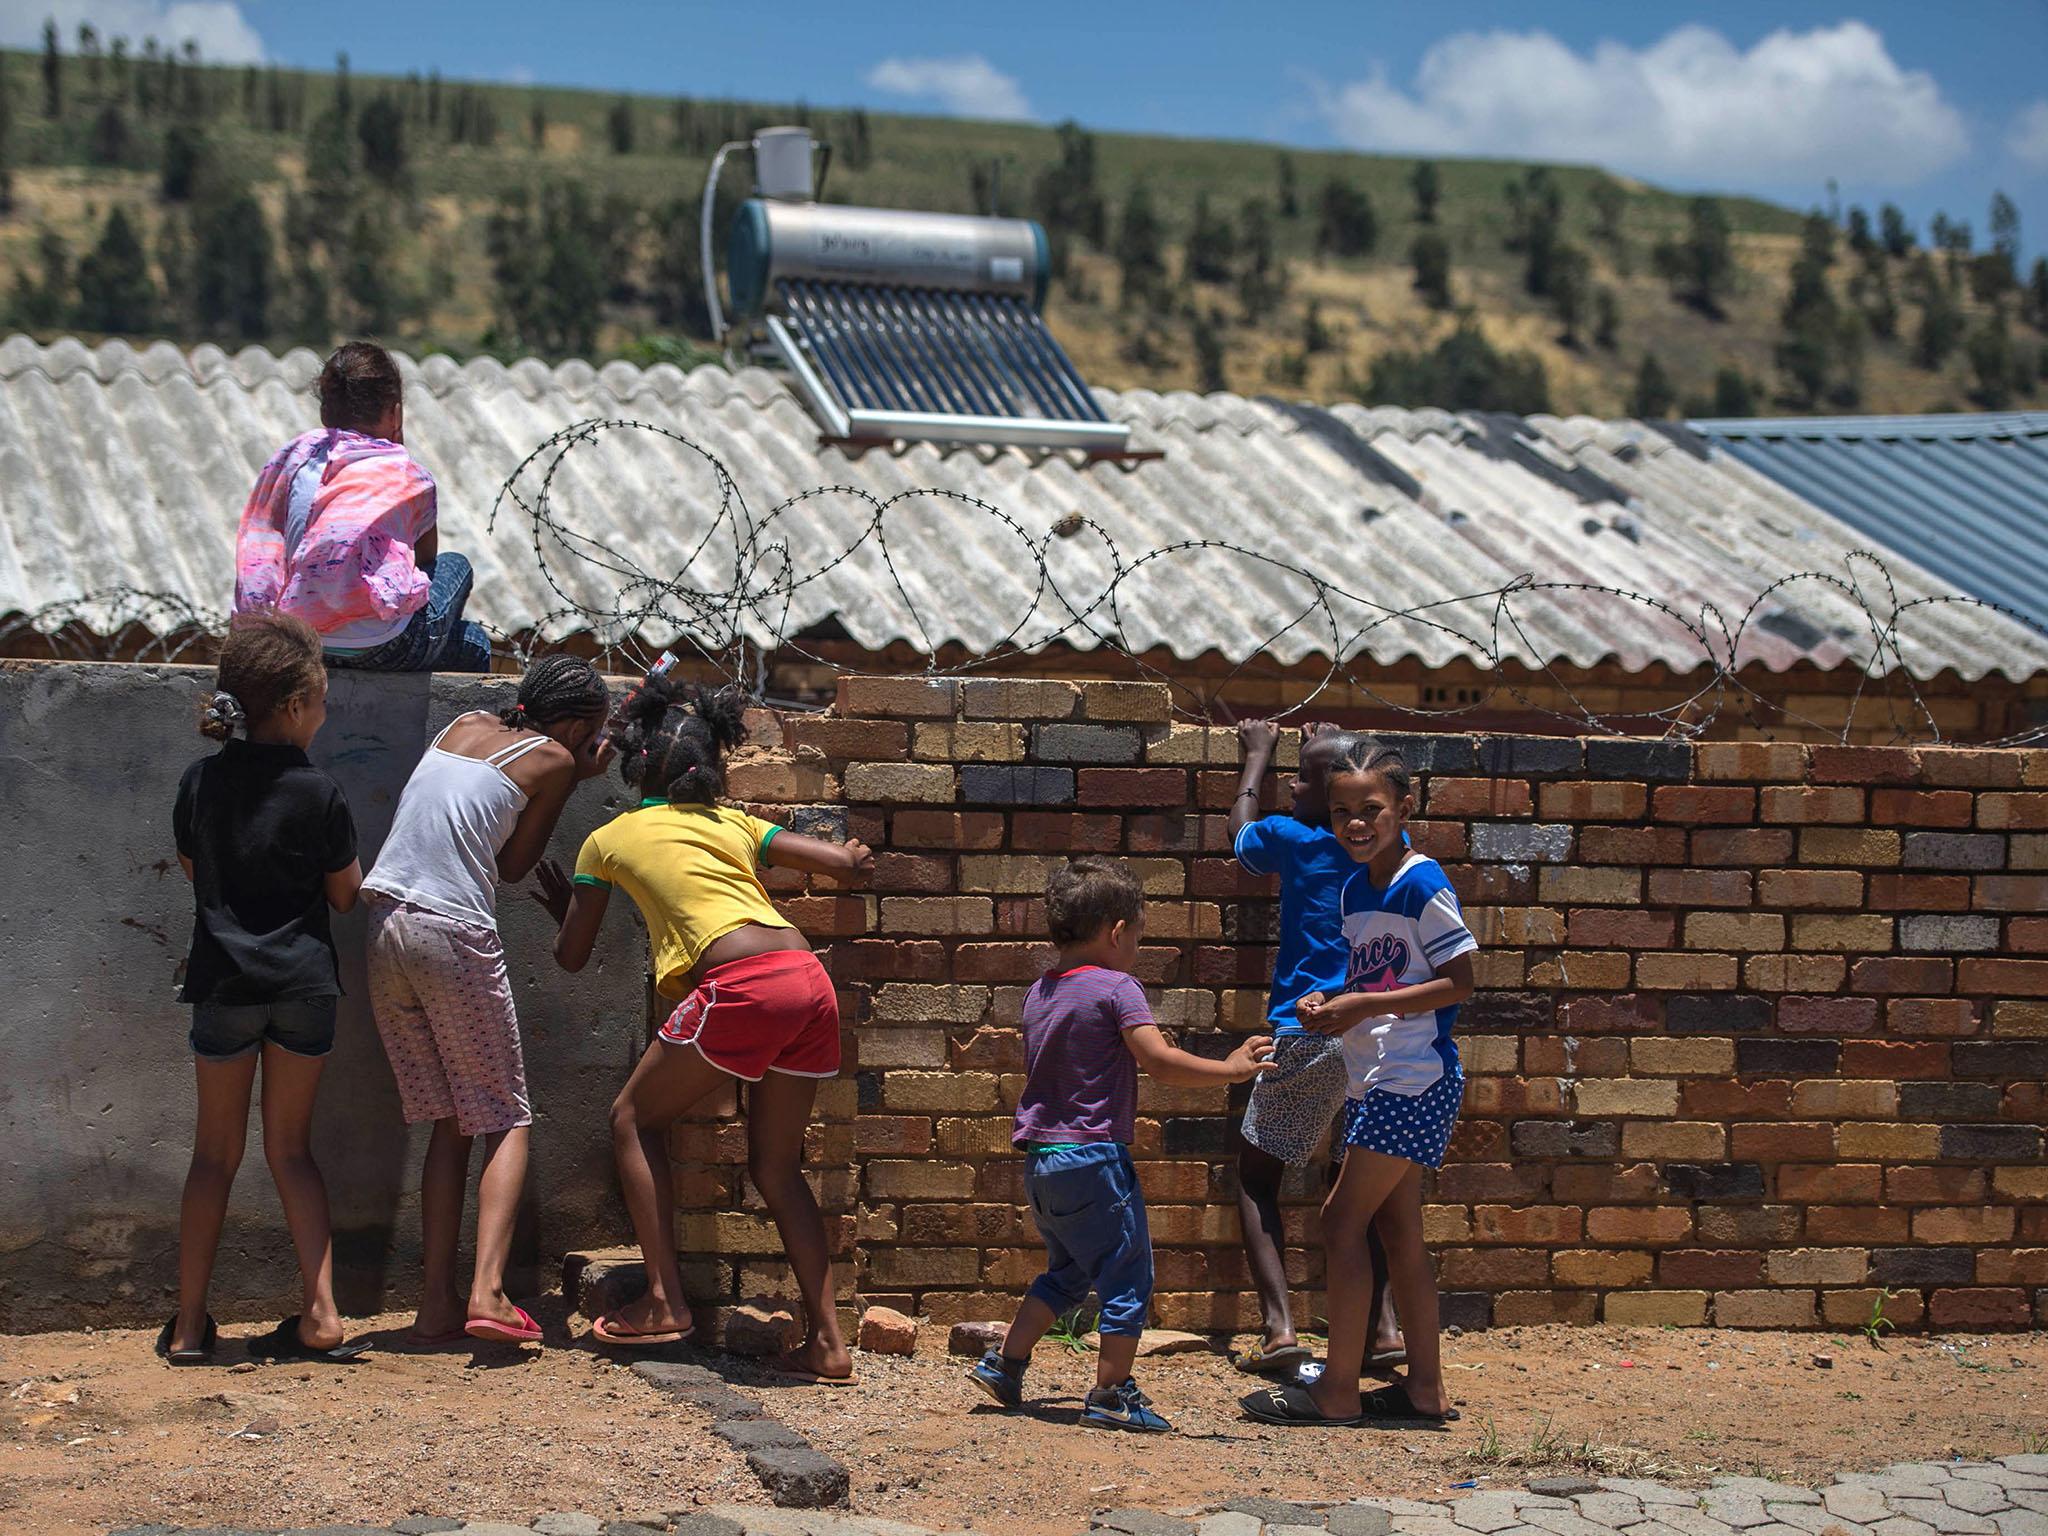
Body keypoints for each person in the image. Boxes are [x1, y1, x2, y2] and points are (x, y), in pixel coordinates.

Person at [535, 673, 873, 1381]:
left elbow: (569, 958)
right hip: (808, 981)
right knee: (777, 1166)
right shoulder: (738, 824)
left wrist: (569, 906)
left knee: (632, 1118)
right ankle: (830, 1343)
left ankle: (663, 1300)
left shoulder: (609, 838)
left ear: (636, 769)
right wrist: (854, 855)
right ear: (713, 768)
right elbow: (840, 864)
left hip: (743, 986)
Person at [361, 654, 615, 1345]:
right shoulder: (555, 762)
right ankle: (491, 1294)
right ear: (573, 725)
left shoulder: (461, 724)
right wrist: (578, 774)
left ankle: (437, 1301)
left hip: (386, 926)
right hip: (452, 931)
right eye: (592, 730)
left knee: (449, 1121)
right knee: (506, 1117)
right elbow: (510, 866)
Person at [969, 857, 1273, 1433]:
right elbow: (1158, 1060)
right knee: (1126, 1276)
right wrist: (1231, 1069)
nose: (1137, 945)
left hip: (1042, 1161)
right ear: (1116, 931)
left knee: (1064, 1274)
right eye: (1138, 933)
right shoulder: (1117, 988)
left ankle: (1006, 1364)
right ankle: (1110, 1394)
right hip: (1094, 1157)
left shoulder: (1040, 991)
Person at [1241, 738, 1475, 1428]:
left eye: (1371, 808)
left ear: (1404, 806)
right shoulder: (1354, 885)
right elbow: (1380, 976)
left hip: (1414, 1078)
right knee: (1399, 1232)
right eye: (1343, 811)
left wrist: (1363, 1007)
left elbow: (1459, 983)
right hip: (1376, 1077)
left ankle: (1338, 1389)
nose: (1355, 823)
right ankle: (1424, 1390)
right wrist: (1333, 1004)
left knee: (1341, 1221)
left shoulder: (1421, 883)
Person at [164, 610, 368, 1366]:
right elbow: (346, 896)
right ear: (291, 707)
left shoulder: (199, 783)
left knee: (213, 1155)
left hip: (224, 987)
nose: (325, 712)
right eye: (319, 699)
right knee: (292, 1151)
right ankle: (322, 1316)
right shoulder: (320, 793)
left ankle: (188, 1327)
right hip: (304, 988)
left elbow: (195, 873)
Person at [1229, 720, 1404, 1378]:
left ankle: (1278, 1330)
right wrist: (1333, 751)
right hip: (1378, 1035)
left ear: (1316, 795)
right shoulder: (1389, 846)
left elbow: (1240, 831)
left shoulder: (1293, 838)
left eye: (1302, 778)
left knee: (1255, 1179)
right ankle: (1382, 1331)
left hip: (1308, 1029)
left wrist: (1258, 755)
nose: (1292, 786)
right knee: (1356, 1189)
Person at [235, 340, 491, 674]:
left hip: (299, 643)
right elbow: (426, 560)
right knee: (464, 602)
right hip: (386, 644)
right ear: (395, 412)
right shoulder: (408, 475)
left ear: (325, 411)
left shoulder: (294, 462)